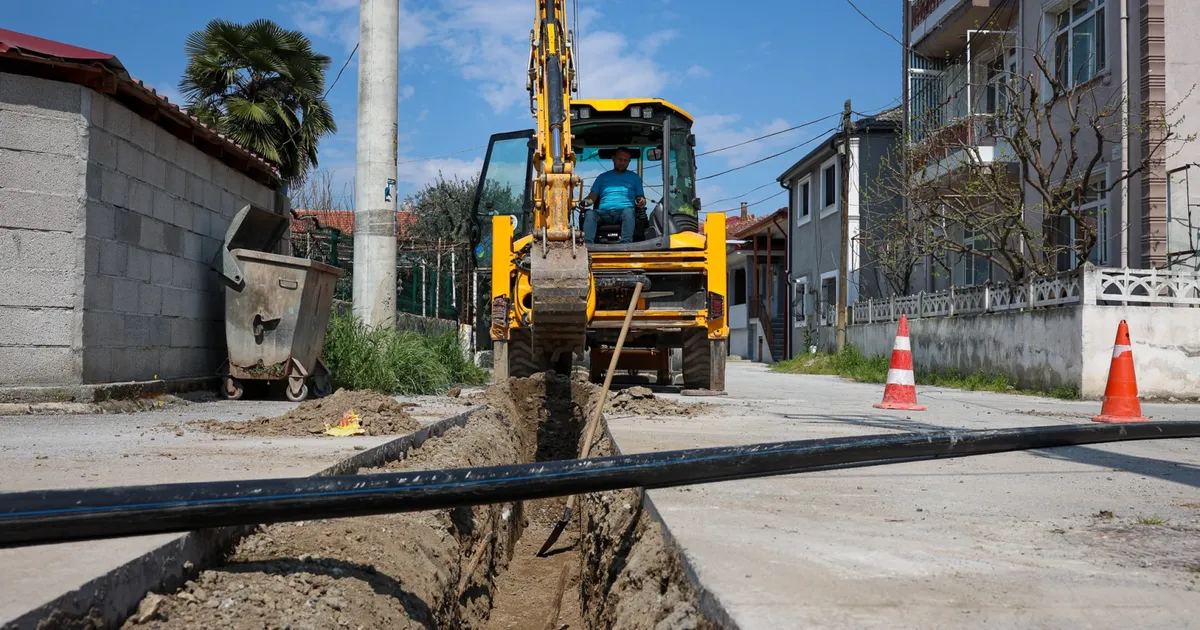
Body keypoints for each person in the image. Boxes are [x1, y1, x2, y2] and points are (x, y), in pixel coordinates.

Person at [581, 147, 646, 244]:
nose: (622, 162)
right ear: (613, 158)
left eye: (625, 160)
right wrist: (585, 202)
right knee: (590, 214)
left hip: (624, 212)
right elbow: (592, 197)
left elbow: (641, 198)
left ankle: (626, 245)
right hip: (603, 213)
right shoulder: (602, 178)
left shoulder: (635, 178)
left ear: (629, 162)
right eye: (620, 159)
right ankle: (587, 245)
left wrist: (641, 201)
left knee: (629, 212)